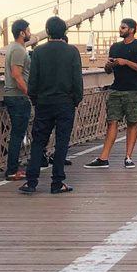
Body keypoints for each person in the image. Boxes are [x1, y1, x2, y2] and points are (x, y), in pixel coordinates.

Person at [21, 15, 83, 194]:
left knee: (38, 142)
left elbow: (33, 81)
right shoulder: (72, 52)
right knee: (62, 143)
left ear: (47, 31)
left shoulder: (38, 52)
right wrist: (75, 100)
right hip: (65, 103)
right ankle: (57, 183)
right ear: (64, 32)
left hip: (44, 103)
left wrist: (35, 100)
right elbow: (77, 80)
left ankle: (31, 183)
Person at [84, 18, 137, 169]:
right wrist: (109, 65)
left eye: (123, 28)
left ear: (131, 30)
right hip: (116, 89)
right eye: (120, 27)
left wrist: (126, 62)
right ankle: (103, 158)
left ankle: (128, 157)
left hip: (134, 90)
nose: (120, 30)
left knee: (132, 122)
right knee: (111, 121)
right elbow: (108, 70)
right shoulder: (115, 47)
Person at [3, 18, 32, 181]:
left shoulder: (14, 48)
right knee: (17, 134)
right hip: (18, 97)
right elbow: (16, 74)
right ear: (22, 33)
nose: (30, 33)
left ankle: (13, 167)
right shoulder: (19, 50)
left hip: (14, 96)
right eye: (28, 30)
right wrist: (29, 93)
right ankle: (12, 170)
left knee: (17, 133)